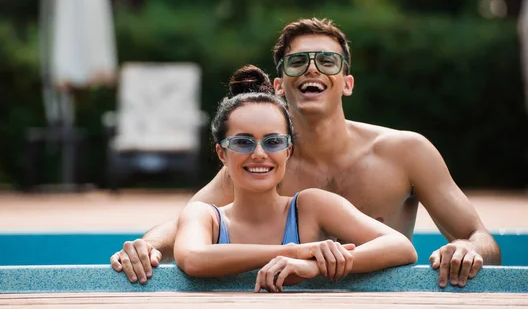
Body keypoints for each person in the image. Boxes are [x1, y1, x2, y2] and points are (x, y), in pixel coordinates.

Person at [111, 18, 501, 289]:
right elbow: (187, 224)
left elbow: (484, 241)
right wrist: (146, 245)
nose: (312, 69)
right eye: (298, 62)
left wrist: (467, 248)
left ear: (346, 82)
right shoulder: (263, 161)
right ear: (279, 85)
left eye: (327, 61)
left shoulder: (406, 152)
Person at [172, 65, 417, 292]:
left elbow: (400, 246)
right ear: (222, 153)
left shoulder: (311, 206)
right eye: (243, 142)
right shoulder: (204, 216)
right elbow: (193, 258)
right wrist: (297, 251)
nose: (259, 154)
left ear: (288, 151)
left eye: (273, 142)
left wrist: (316, 265)